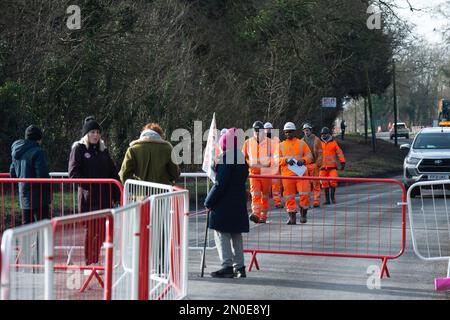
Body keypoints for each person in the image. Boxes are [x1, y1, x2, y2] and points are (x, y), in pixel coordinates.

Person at [69, 116, 121, 268]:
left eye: (98, 132)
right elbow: (73, 173)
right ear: (86, 134)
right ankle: (89, 264)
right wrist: (89, 184)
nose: (95, 135)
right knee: (90, 231)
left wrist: (117, 194)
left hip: (104, 199)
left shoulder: (103, 151)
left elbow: (113, 173)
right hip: (88, 198)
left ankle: (95, 261)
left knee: (100, 232)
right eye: (92, 132)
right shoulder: (78, 149)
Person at [204, 128, 249, 278]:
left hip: (225, 203)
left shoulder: (227, 158)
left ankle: (227, 266)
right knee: (236, 234)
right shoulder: (241, 158)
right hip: (238, 201)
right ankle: (240, 266)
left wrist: (209, 200)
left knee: (221, 233)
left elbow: (220, 184)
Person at [9, 125, 51, 224]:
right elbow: (43, 175)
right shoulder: (38, 151)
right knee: (42, 227)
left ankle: (27, 240)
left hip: (23, 195)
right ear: (39, 139)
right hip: (39, 197)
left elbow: (12, 171)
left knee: (26, 227)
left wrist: (20, 186)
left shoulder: (16, 151)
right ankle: (40, 241)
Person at [276, 122, 312, 224]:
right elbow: (276, 159)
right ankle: (292, 217)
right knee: (289, 196)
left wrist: (304, 161)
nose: (288, 134)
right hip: (287, 175)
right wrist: (286, 160)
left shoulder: (301, 143)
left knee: (304, 194)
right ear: (284, 133)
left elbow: (309, 156)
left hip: (301, 174)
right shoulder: (281, 146)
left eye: (290, 132)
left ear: (294, 132)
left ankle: (303, 215)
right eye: (286, 132)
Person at [242, 121, 271, 223]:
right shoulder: (248, 143)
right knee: (255, 194)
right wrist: (249, 163)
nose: (258, 133)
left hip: (266, 174)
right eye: (256, 131)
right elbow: (243, 158)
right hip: (253, 174)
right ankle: (256, 214)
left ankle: (263, 216)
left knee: (265, 195)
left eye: (259, 131)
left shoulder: (269, 143)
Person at [319, 127, 346, 204]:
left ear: (328, 134)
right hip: (322, 168)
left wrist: (342, 162)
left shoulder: (333, 143)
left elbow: (339, 152)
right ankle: (327, 200)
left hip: (332, 167)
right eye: (322, 134)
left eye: (325, 133)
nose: (323, 135)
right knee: (324, 183)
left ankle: (332, 197)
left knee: (333, 181)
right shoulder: (319, 143)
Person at [301, 123, 323, 208]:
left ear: (310, 130)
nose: (306, 132)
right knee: (306, 185)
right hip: (305, 165)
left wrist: (318, 164)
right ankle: (306, 202)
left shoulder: (316, 140)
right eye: (304, 130)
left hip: (314, 164)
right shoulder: (302, 141)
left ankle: (316, 201)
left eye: (307, 130)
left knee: (316, 184)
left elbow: (320, 153)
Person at [262, 122, 283, 209]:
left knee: (276, 185)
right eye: (267, 129)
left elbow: (280, 151)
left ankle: (277, 202)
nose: (268, 130)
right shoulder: (261, 140)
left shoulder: (276, 140)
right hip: (265, 166)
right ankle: (264, 204)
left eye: (270, 128)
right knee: (264, 186)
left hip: (274, 165)